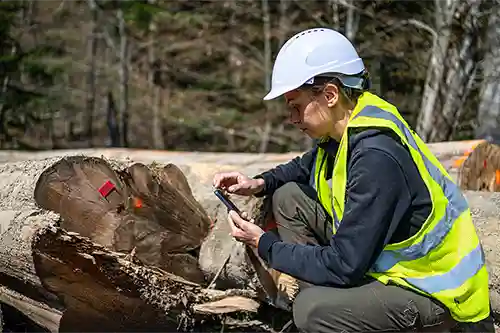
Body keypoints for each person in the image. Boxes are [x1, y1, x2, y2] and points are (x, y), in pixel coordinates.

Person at [212, 28, 494, 333]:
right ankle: (337, 310)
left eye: (296, 106)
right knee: (288, 197)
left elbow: (345, 264)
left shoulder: (376, 157)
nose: (292, 119)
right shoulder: (348, 127)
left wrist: (263, 243)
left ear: (330, 94)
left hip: (435, 295)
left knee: (310, 311)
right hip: (384, 267)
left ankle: (330, 315)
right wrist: (259, 183)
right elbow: (307, 166)